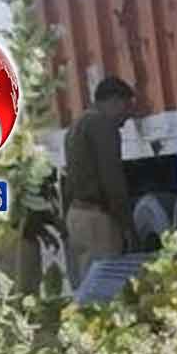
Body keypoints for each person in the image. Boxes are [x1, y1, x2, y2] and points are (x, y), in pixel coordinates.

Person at [62, 77, 137, 288]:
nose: (128, 116)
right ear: (114, 101)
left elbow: (69, 179)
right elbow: (112, 179)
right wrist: (128, 227)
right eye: (126, 107)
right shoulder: (103, 125)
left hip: (77, 215)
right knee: (106, 287)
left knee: (89, 283)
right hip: (97, 219)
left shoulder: (76, 125)